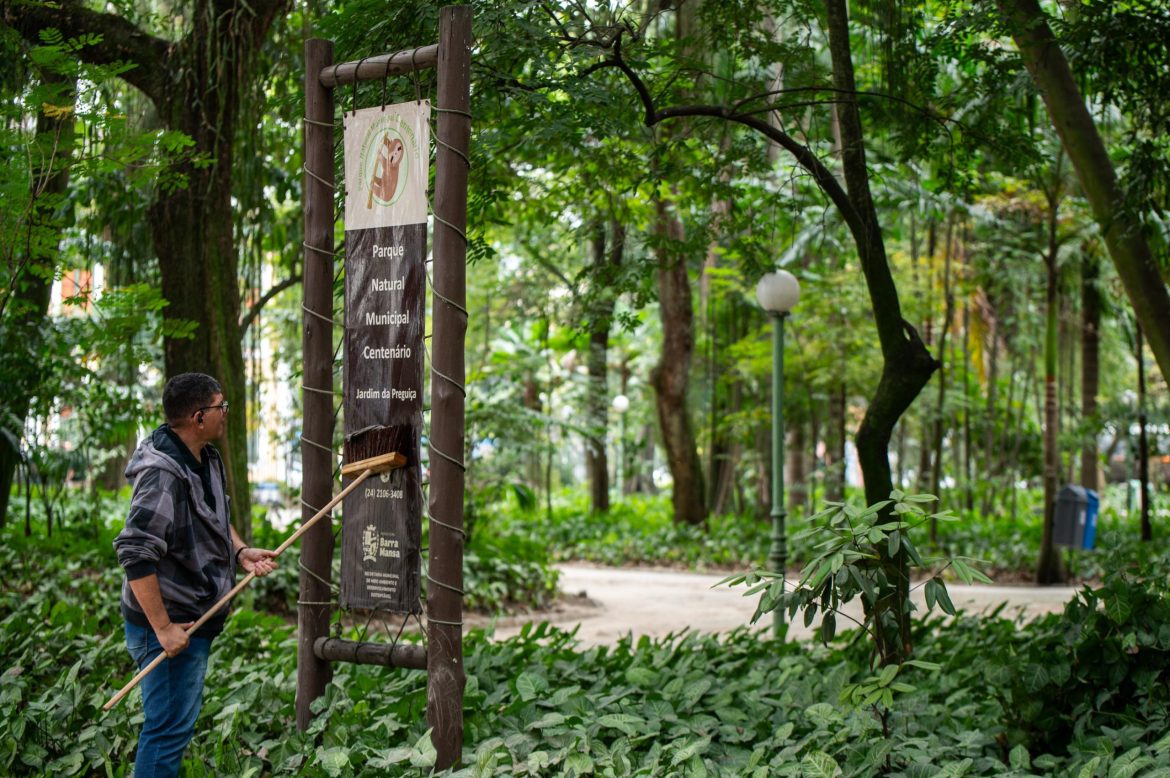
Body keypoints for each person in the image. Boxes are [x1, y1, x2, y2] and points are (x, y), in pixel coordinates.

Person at [114, 373, 277, 777]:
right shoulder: (162, 475)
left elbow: (216, 516)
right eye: (221, 406)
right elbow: (135, 554)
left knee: (174, 727)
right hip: (169, 623)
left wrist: (239, 552)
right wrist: (164, 628)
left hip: (194, 617)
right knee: (167, 730)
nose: (227, 414)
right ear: (199, 416)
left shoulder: (207, 457)